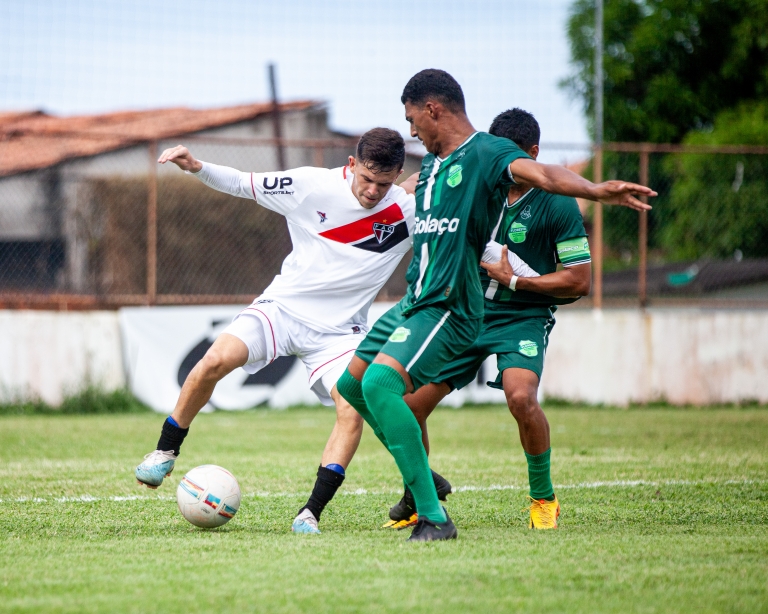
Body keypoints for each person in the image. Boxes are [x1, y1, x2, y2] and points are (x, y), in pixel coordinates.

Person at [336, 69, 655, 542]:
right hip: (423, 301)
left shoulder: (488, 154)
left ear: (432, 109)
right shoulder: (433, 167)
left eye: (411, 118)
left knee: (509, 396)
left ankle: (474, 509)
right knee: (356, 389)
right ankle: (423, 485)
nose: (410, 131)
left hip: (470, 308)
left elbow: (546, 180)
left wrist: (594, 190)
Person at [134, 128, 458, 534]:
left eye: (385, 183)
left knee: (351, 407)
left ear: (397, 175)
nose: (374, 191)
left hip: (340, 334)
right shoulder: (310, 186)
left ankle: (310, 513)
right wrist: (196, 166)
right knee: (215, 360)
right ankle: (165, 450)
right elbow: (242, 183)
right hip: (282, 310)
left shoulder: (409, 212)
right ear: (352, 164)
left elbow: (462, 241)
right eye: (367, 180)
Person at [386, 108, 593, 532]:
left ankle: (543, 498)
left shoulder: (557, 204)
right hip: (465, 312)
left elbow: (579, 281)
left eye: (513, 160)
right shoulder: (477, 187)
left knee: (521, 397)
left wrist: (516, 281)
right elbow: (416, 191)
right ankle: (420, 496)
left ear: (533, 154)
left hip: (522, 316)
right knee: (407, 406)